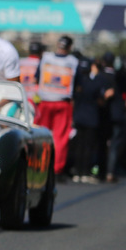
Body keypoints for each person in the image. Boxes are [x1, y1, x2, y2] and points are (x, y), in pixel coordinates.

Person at [34, 36, 79, 178]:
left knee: (40, 135)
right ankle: (56, 169)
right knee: (60, 137)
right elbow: (77, 85)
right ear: (70, 47)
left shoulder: (45, 58)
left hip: (45, 102)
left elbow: (36, 78)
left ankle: (38, 165)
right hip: (62, 103)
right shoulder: (73, 62)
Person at [70, 54, 114, 182]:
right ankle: (84, 172)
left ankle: (77, 172)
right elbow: (101, 99)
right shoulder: (95, 82)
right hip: (91, 118)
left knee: (79, 145)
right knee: (88, 146)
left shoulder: (76, 83)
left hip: (78, 117)